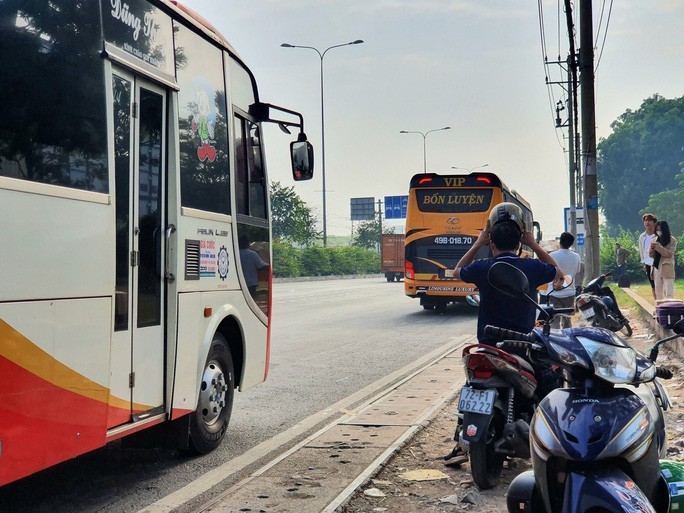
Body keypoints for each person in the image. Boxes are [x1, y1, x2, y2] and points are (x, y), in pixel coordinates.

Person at [443, 203, 563, 466]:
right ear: (520, 240)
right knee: (549, 384)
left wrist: (477, 244)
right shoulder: (531, 267)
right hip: (521, 348)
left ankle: (461, 444)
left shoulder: (482, 267)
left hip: (487, 347)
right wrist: (532, 243)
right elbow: (558, 272)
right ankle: (551, 442)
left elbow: (456, 272)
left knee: (470, 386)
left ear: (491, 241)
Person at [539, 232, 582, 328]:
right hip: (569, 293)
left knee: (554, 321)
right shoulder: (576, 257)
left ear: (560, 242)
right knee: (567, 321)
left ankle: (555, 341)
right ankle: (568, 341)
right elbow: (577, 271)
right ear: (571, 244)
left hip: (554, 293)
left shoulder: (552, 255)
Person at [649, 220, 677, 300]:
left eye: (660, 230)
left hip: (667, 268)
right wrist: (652, 248)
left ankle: (670, 310)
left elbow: (669, 254)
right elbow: (651, 255)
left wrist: (658, 247)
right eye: (657, 230)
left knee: (669, 293)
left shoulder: (672, 240)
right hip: (656, 267)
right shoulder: (654, 240)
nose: (659, 232)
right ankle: (660, 311)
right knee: (658, 293)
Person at [239, 234, 269, 299]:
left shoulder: (236, 254)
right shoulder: (252, 254)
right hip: (251, 284)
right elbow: (261, 265)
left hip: (238, 284)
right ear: (248, 243)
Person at [639, 213, 658, 300]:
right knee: (653, 285)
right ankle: (657, 304)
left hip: (657, 263)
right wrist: (643, 263)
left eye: (649, 220)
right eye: (645, 221)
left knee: (659, 284)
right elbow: (641, 250)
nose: (647, 222)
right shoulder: (642, 236)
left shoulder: (658, 235)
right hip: (647, 263)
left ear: (654, 222)